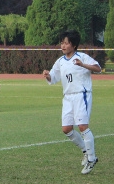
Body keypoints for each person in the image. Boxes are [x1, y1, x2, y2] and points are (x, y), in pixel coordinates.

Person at [43, 30, 101, 174]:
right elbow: (53, 78)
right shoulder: (60, 61)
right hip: (67, 97)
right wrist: (47, 76)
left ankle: (92, 158)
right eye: (62, 42)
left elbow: (98, 68)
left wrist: (83, 65)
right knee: (66, 129)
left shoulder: (82, 57)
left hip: (82, 95)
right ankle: (85, 151)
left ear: (74, 45)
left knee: (82, 126)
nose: (63, 45)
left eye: (66, 43)